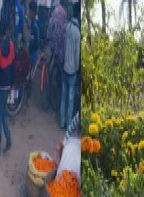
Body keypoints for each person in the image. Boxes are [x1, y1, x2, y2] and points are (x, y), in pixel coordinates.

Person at [0, 23, 14, 153]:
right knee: (3, 113)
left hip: (0, 87)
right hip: (7, 85)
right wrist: (11, 84)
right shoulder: (11, 46)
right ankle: (9, 140)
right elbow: (11, 67)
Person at [60, 2, 79, 130]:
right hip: (72, 71)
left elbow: (64, 47)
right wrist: (77, 68)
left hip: (65, 67)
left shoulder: (66, 28)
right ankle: (68, 124)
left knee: (63, 96)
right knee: (71, 100)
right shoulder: (77, 33)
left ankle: (61, 122)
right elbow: (77, 55)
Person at [47, 0, 67, 65]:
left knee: (53, 57)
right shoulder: (65, 13)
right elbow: (65, 29)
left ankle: (49, 71)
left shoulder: (55, 11)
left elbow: (51, 24)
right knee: (58, 61)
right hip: (60, 42)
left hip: (54, 40)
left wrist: (49, 37)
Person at [26, 1, 40, 67]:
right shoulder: (30, 22)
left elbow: (37, 43)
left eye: (30, 11)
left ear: (33, 12)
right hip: (30, 53)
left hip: (33, 54)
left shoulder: (35, 26)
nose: (28, 12)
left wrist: (30, 50)